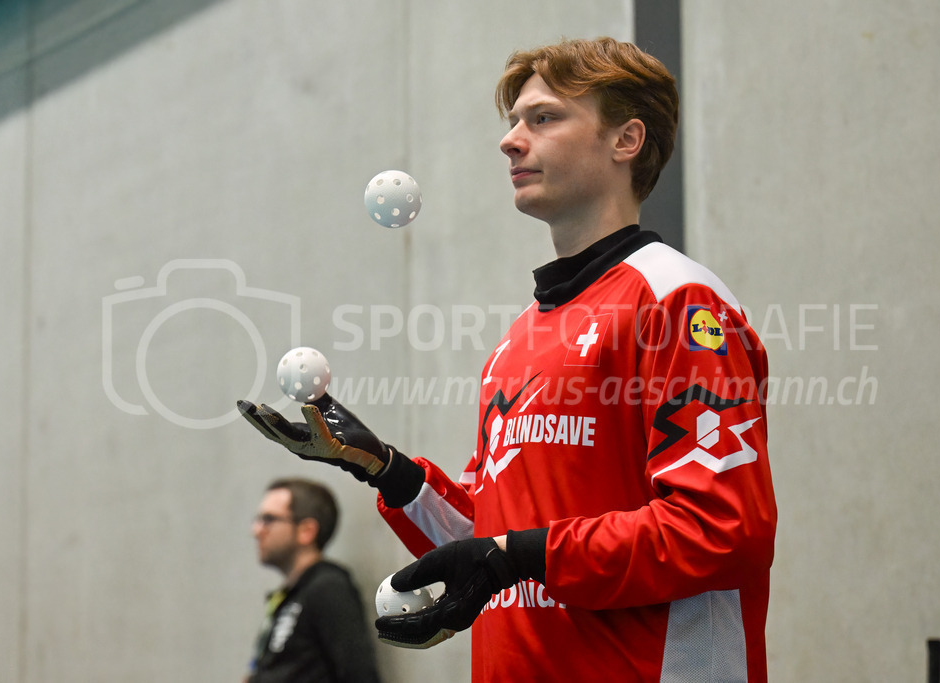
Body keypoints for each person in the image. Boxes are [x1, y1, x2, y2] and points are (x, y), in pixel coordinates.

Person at [239, 36, 777, 682]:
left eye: (543, 118)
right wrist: (385, 469)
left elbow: (718, 527)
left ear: (625, 140)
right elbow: (488, 540)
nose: (511, 140)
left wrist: (517, 553)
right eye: (514, 121)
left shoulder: (678, 302)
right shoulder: (517, 342)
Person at [245, 477, 382, 683]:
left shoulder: (328, 588)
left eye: (269, 519)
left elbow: (360, 675)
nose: (256, 531)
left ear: (306, 531)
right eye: (258, 520)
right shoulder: (292, 595)